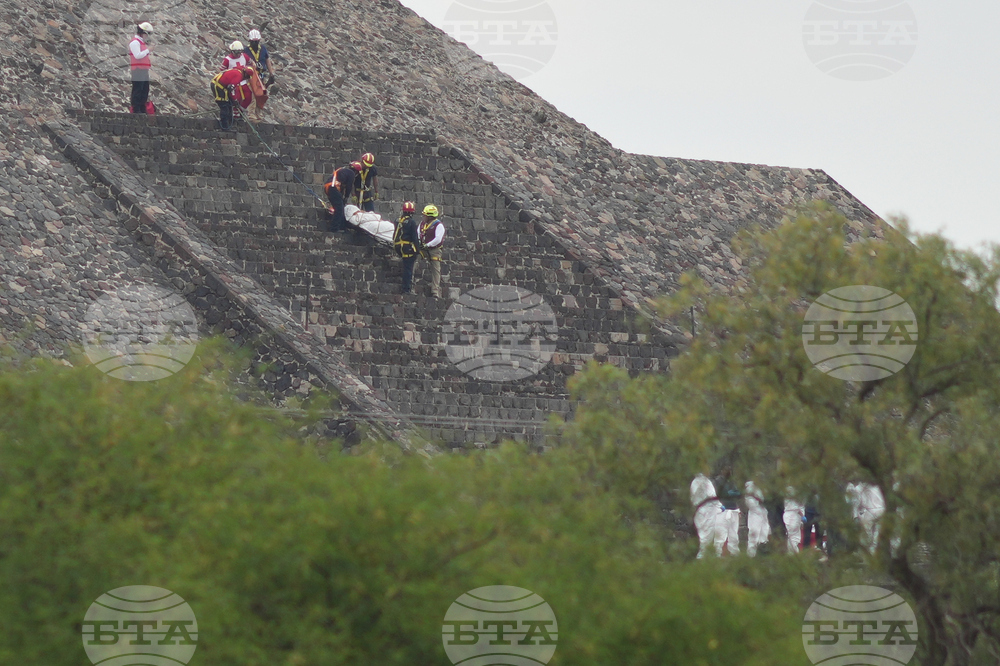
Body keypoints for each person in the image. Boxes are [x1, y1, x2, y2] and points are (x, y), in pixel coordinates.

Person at [690, 473, 722, 559]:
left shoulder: (702, 482)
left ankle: (713, 555)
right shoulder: (700, 482)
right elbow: (710, 496)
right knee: (706, 536)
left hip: (707, 511)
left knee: (710, 535)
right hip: (706, 512)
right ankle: (702, 557)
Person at [210, 66, 252, 131]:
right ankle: (224, 126)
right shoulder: (239, 76)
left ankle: (228, 124)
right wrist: (235, 100)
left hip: (220, 86)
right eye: (248, 77)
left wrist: (233, 100)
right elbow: (231, 88)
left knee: (229, 104)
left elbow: (231, 87)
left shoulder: (237, 72)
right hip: (219, 86)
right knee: (224, 105)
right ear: (246, 74)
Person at [419, 204, 446, 298]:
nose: (423, 216)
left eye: (425, 215)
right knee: (414, 259)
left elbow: (438, 239)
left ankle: (435, 291)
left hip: (435, 249)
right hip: (423, 248)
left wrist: (428, 245)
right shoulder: (422, 224)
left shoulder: (439, 225)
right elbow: (418, 233)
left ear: (430, 216)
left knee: (436, 269)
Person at [324, 162, 360, 232]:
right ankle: (334, 229)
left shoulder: (343, 171)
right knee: (339, 209)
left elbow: (342, 185)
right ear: (356, 171)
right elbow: (349, 187)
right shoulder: (351, 174)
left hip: (328, 187)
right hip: (333, 188)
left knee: (339, 208)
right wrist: (346, 197)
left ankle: (342, 227)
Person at [220, 41, 252, 118]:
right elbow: (221, 71)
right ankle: (235, 114)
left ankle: (241, 110)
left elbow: (251, 63)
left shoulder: (244, 56)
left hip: (243, 81)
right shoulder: (227, 59)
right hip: (233, 82)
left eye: (239, 52)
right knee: (236, 98)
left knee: (248, 96)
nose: (238, 54)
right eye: (236, 52)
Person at [713, 467, 741, 556]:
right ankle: (717, 555)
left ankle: (734, 554)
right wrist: (727, 494)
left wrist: (732, 493)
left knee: (734, 536)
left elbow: (738, 493)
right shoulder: (717, 481)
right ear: (722, 471)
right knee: (720, 536)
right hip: (723, 511)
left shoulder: (731, 481)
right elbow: (718, 494)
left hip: (733, 510)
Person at [393, 202, 419, 294]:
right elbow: (414, 237)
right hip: (407, 247)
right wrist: (417, 250)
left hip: (398, 246)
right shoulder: (411, 222)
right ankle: (406, 289)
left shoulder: (397, 220)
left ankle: (405, 287)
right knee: (408, 268)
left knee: (405, 265)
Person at [128, 22, 153, 114]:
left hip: (143, 69)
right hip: (137, 69)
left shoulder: (140, 42)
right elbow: (137, 55)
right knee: (138, 89)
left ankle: (142, 108)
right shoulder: (135, 42)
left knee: (144, 89)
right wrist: (148, 50)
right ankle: (136, 109)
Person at [744, 481, 770, 557]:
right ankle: (751, 555)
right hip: (755, 514)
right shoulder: (750, 488)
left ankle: (762, 553)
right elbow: (750, 503)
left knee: (764, 534)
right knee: (754, 535)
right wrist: (758, 504)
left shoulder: (761, 487)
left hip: (763, 512)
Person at [783, 487, 806, 554]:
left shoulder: (786, 490)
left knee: (790, 535)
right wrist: (802, 516)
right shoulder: (797, 491)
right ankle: (793, 553)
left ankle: (791, 552)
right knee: (793, 536)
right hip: (794, 515)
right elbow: (800, 506)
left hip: (788, 514)